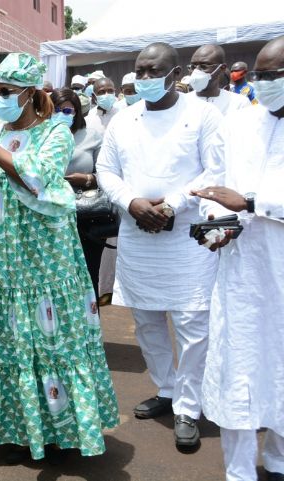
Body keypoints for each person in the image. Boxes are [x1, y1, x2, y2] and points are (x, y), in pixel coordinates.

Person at [0, 52, 118, 463]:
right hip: (1, 263)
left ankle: (63, 431)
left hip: (47, 264)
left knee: (54, 346)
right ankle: (20, 427)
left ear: (30, 93)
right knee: (11, 347)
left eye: (6, 92)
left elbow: (36, 177)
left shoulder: (55, 132)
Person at [96, 42, 223, 449]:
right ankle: (167, 389)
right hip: (137, 232)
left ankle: (189, 405)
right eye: (140, 71)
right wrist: (131, 202)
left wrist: (172, 205)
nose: (146, 78)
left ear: (175, 71)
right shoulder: (124, 119)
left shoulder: (203, 114)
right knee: (147, 322)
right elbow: (105, 169)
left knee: (191, 325)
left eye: (154, 70)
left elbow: (215, 169)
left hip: (186, 238)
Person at [190, 35, 284, 481]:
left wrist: (250, 202)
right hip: (243, 271)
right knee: (240, 368)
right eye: (259, 75)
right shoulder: (240, 122)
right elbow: (215, 182)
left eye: (273, 75)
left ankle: (279, 461)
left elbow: (244, 195)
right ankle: (240, 470)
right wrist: (216, 219)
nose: (263, 82)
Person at [51, 87, 105, 297]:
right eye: (55, 110)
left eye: (67, 111)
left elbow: (108, 174)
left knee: (88, 277)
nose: (61, 115)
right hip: (51, 218)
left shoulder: (92, 135)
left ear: (76, 113)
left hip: (85, 216)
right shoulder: (39, 136)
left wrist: (89, 179)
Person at [187, 44, 251, 115]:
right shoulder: (183, 102)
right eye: (193, 66)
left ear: (222, 68)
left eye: (203, 66)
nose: (196, 71)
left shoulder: (239, 103)